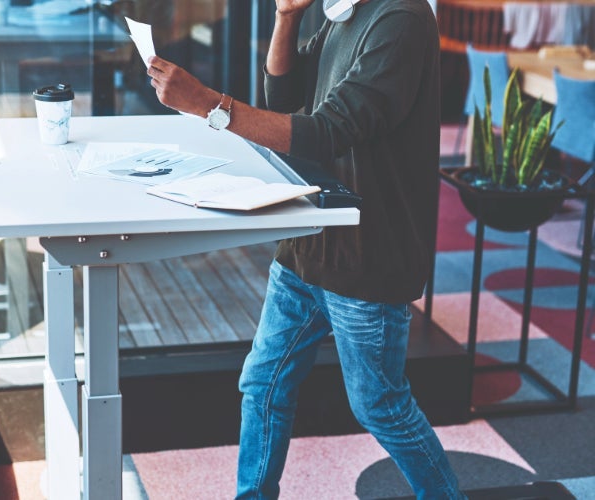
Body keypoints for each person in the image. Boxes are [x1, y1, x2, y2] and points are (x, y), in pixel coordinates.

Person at [147, 0, 465, 498]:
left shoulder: (400, 19)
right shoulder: (345, 13)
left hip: (368, 251)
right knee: (263, 383)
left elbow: (327, 132)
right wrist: (287, 18)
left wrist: (209, 104)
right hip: (311, 238)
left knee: (380, 405)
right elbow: (285, 96)